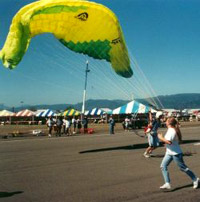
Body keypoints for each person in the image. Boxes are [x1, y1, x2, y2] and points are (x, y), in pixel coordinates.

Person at [158, 117, 199, 190]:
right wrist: (165, 145)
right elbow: (170, 142)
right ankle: (167, 183)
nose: (165, 121)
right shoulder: (170, 129)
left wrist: (160, 137)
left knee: (183, 168)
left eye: (166, 121)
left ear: (169, 123)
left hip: (176, 153)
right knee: (163, 166)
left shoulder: (172, 131)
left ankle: (195, 179)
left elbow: (169, 142)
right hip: (169, 152)